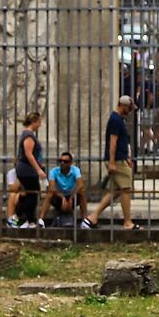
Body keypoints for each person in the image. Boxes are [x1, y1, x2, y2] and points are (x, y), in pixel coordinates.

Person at [99, 93, 137, 231]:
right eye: (130, 108)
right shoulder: (116, 120)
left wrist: (127, 156)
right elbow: (113, 141)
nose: (130, 111)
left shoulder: (119, 119)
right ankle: (127, 222)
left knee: (115, 191)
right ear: (123, 106)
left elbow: (121, 141)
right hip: (117, 160)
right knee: (126, 189)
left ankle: (92, 217)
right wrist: (112, 161)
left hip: (121, 158)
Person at [8, 111, 45, 227]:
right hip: (27, 169)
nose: (40, 124)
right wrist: (38, 169)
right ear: (33, 122)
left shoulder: (28, 134)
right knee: (32, 194)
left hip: (27, 169)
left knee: (31, 194)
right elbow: (28, 154)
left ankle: (31, 221)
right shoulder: (29, 136)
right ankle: (16, 217)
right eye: (39, 122)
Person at [42, 150, 90, 228]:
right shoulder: (54, 171)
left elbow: (81, 185)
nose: (62, 163)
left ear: (70, 163)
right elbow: (52, 187)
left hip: (71, 196)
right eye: (61, 161)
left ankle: (85, 220)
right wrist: (62, 197)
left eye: (65, 161)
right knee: (49, 193)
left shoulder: (75, 170)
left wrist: (71, 197)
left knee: (82, 192)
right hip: (58, 197)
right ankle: (41, 220)